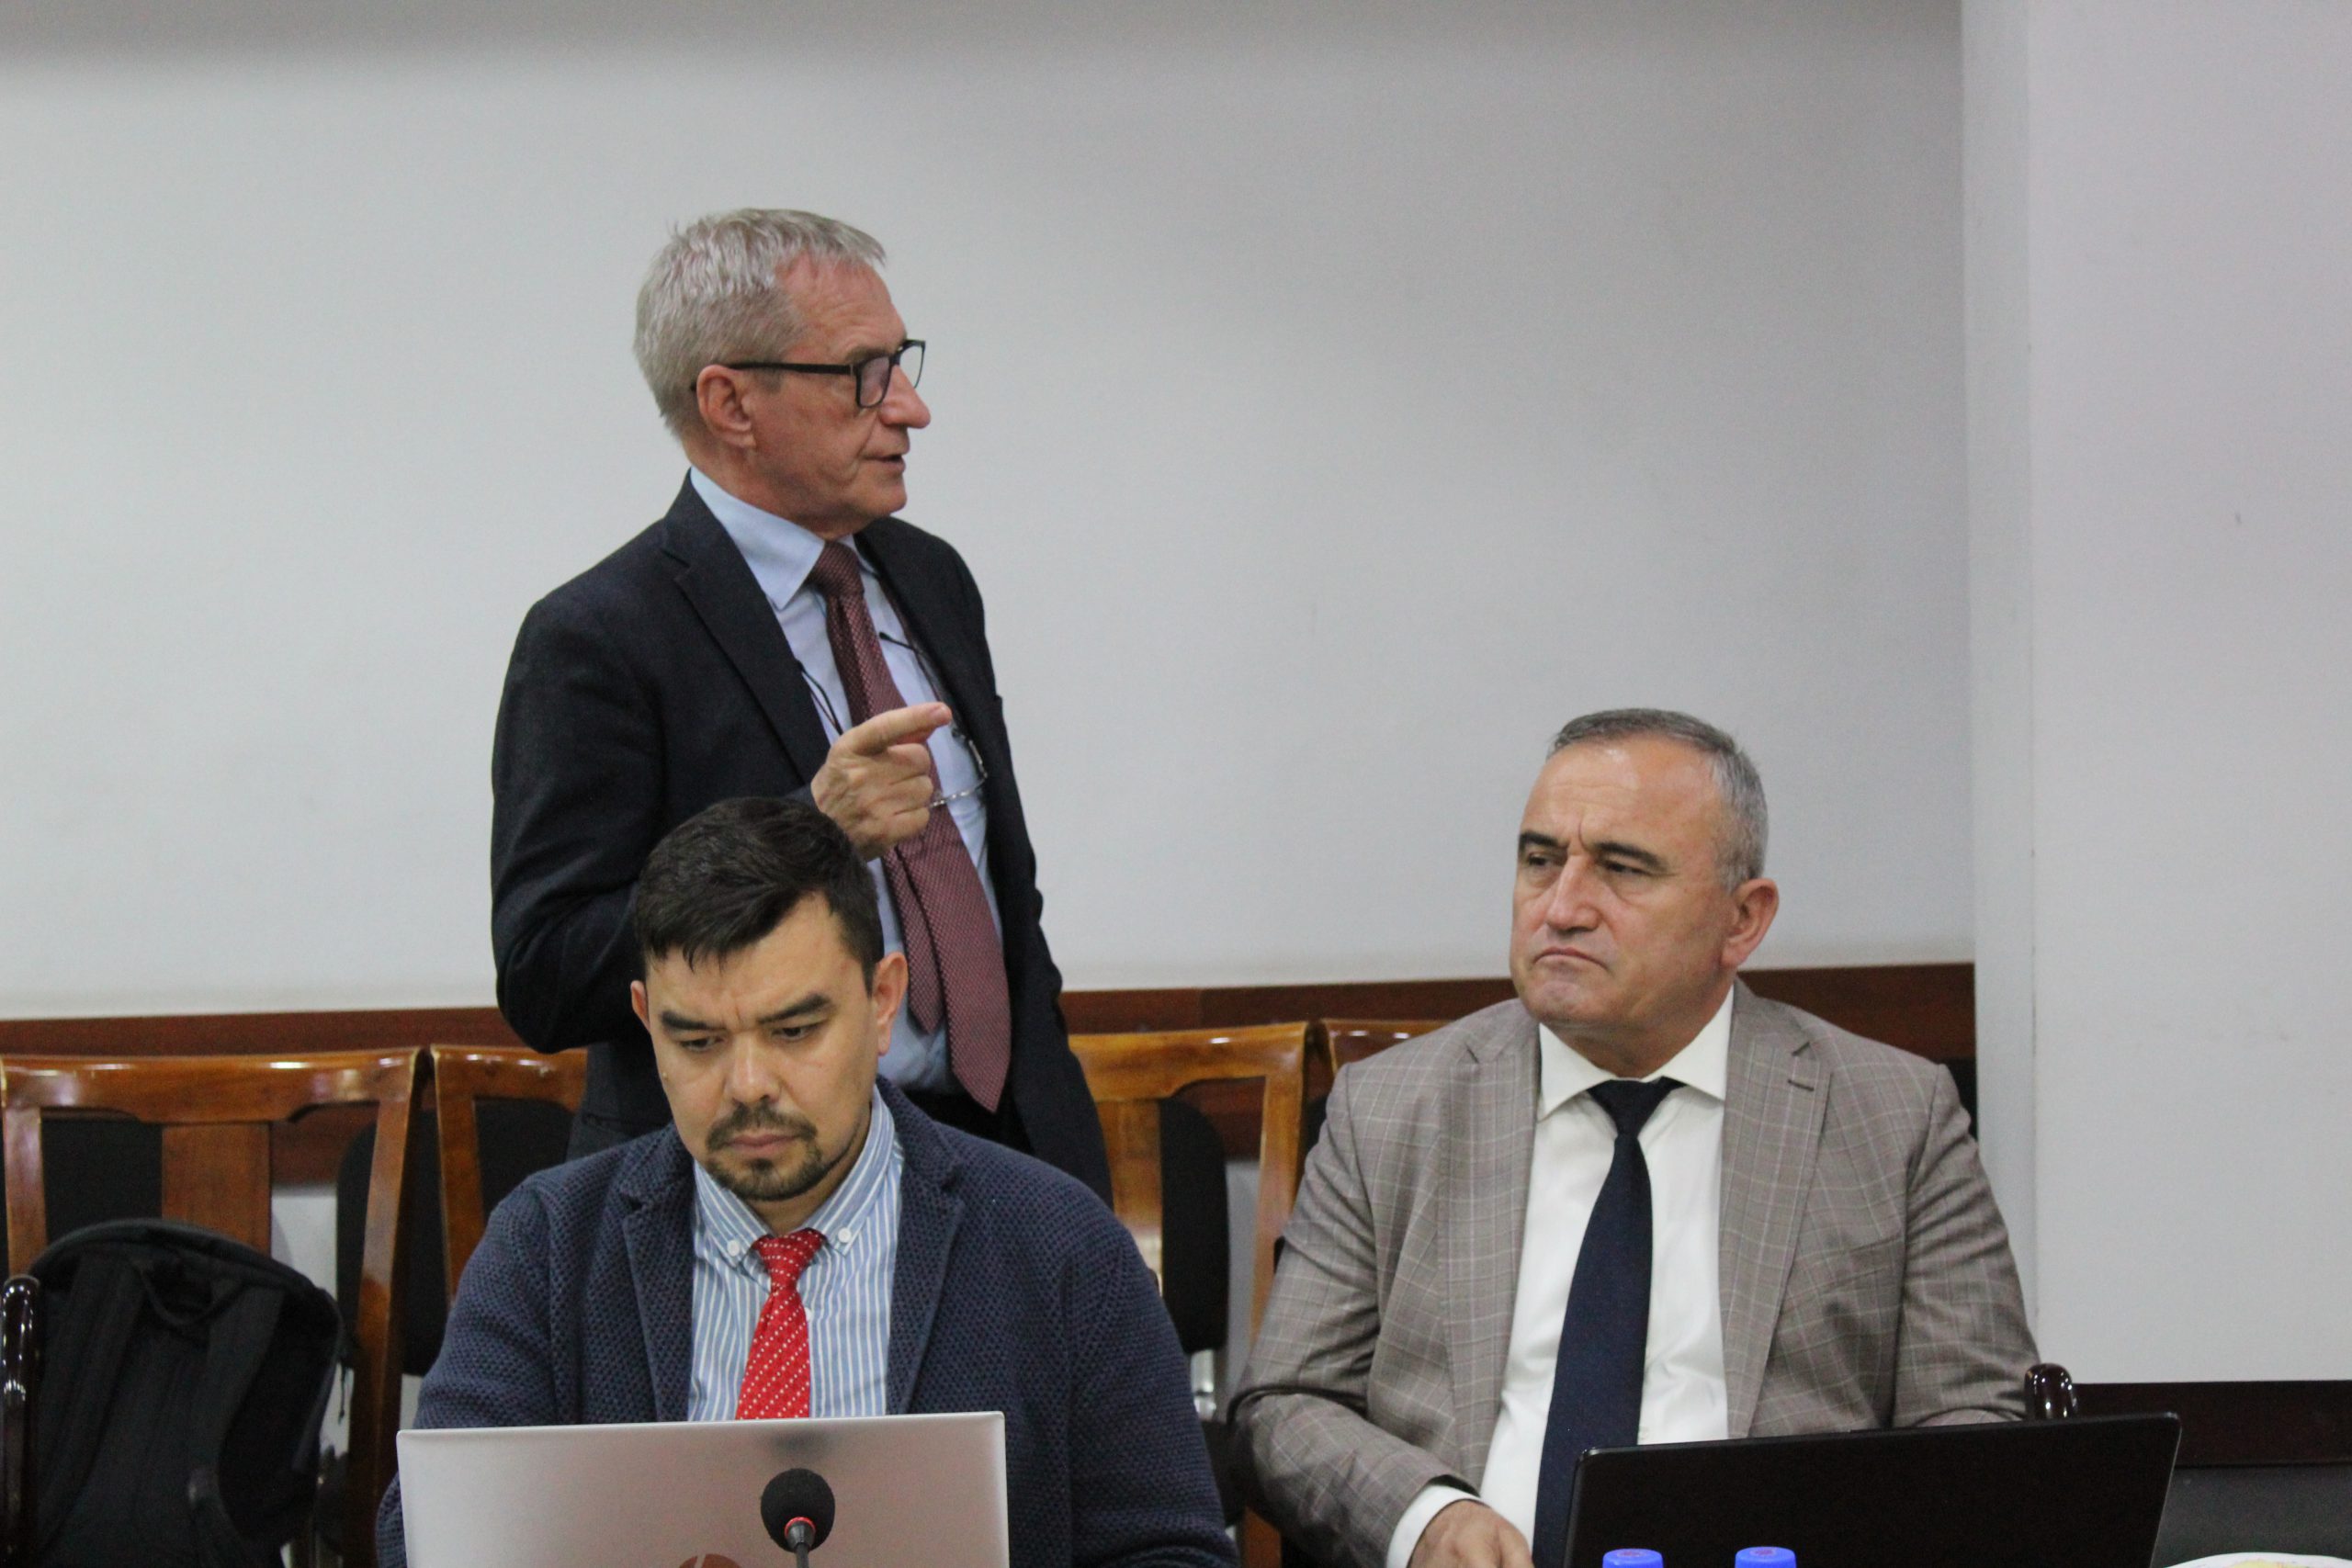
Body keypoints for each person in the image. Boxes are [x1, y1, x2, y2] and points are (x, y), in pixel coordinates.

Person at [1229, 709, 2035, 1568]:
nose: (1563, 907)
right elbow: (1284, 1404)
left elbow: (1976, 1419)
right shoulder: (1391, 1110)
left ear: (1742, 920)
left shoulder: (1893, 1116)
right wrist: (1423, 1517)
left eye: (1622, 869)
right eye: (1541, 860)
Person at [379, 796, 1231, 1568]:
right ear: (646, 1022)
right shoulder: (549, 1246)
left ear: (883, 999)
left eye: (794, 1030)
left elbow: (1173, 1552)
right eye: (698, 1042)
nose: (749, 1084)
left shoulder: (1058, 1247)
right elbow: (425, 1533)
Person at [491, 208, 1108, 1195]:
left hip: (1006, 1165)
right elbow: (547, 973)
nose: (910, 408)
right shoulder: (600, 635)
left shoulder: (932, 578)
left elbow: (997, 890)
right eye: (864, 373)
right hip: (751, 1188)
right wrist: (807, 831)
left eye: (901, 363)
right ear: (731, 403)